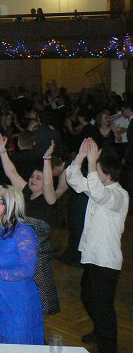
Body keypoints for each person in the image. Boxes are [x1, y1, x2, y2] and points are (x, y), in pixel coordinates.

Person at [66, 138, 128, 353]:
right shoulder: (97, 188)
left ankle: (108, 347)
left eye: (97, 169)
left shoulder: (119, 195)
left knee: (104, 308)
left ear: (107, 174)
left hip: (106, 261)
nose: (93, 171)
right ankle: (100, 331)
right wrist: (81, 156)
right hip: (92, 257)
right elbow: (73, 179)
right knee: (87, 296)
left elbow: (101, 195)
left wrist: (92, 163)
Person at [0, 134, 60, 315]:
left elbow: (48, 184)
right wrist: (2, 150)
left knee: (39, 297)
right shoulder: (25, 193)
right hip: (21, 250)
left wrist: (47, 159)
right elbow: (11, 173)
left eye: (38, 178)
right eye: (32, 176)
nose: (33, 179)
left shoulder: (49, 199)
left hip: (38, 254)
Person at [0, 185, 44, 344]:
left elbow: (28, 269)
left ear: (8, 205)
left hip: (14, 301)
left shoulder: (24, 232)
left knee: (14, 343)